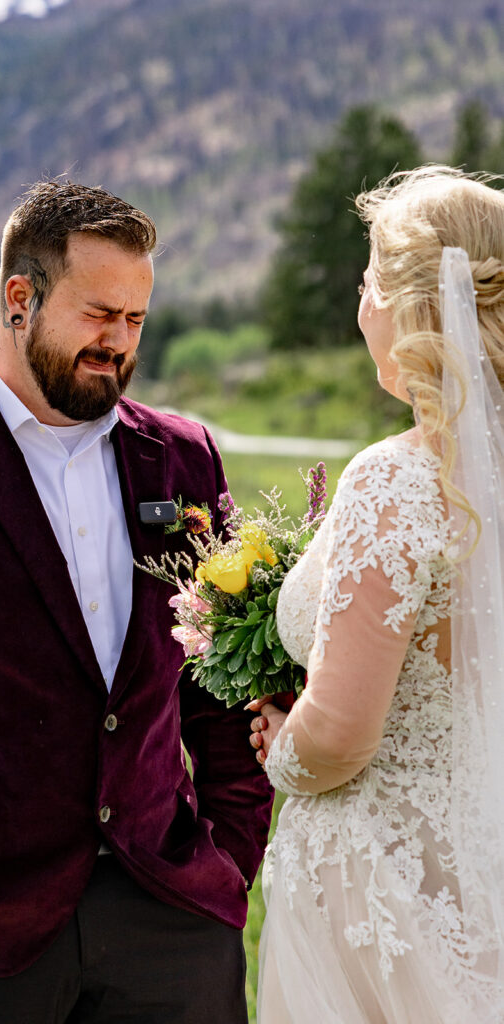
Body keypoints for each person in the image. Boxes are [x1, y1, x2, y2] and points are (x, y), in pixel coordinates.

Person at [0, 180, 273, 1024]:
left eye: (135, 320)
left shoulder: (181, 460)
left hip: (166, 913)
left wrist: (230, 855)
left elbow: (220, 669)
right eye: (99, 314)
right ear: (19, 299)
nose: (119, 343)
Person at [248, 166, 504, 1022]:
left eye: (366, 279)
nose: (359, 303)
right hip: (480, 868)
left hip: (378, 886)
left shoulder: (395, 481)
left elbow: (341, 736)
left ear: (401, 303)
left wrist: (281, 745)